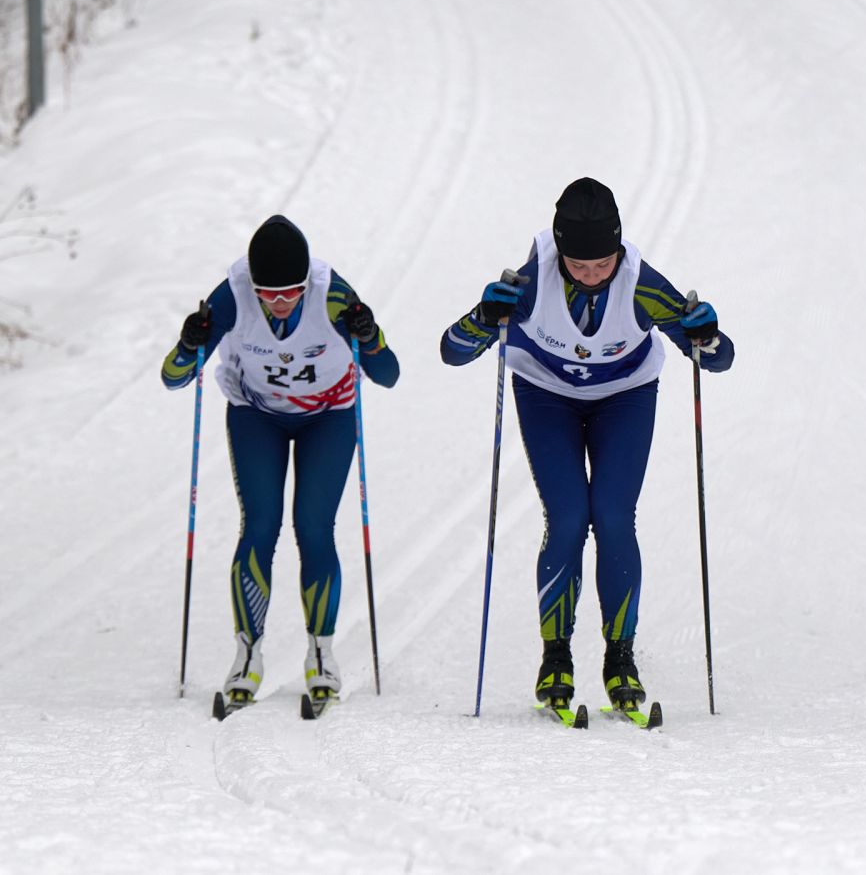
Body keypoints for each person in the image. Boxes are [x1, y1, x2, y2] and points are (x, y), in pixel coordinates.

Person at [439, 177, 734, 714]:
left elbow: (717, 359)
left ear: (619, 248)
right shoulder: (530, 281)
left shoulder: (642, 283)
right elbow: (452, 352)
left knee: (614, 516)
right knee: (569, 516)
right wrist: (484, 318)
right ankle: (556, 655)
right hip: (546, 395)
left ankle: (620, 658)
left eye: (604, 265)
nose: (594, 277)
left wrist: (706, 333)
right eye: (579, 266)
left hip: (624, 397)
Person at [161, 215, 400, 708]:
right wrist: (189, 343)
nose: (279, 303)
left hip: (328, 417)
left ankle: (320, 654)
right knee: (259, 527)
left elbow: (388, 373)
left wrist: (369, 334)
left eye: (290, 291)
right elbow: (174, 378)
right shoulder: (233, 293)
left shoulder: (331, 293)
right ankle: (247, 657)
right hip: (256, 417)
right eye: (268, 293)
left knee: (313, 527)